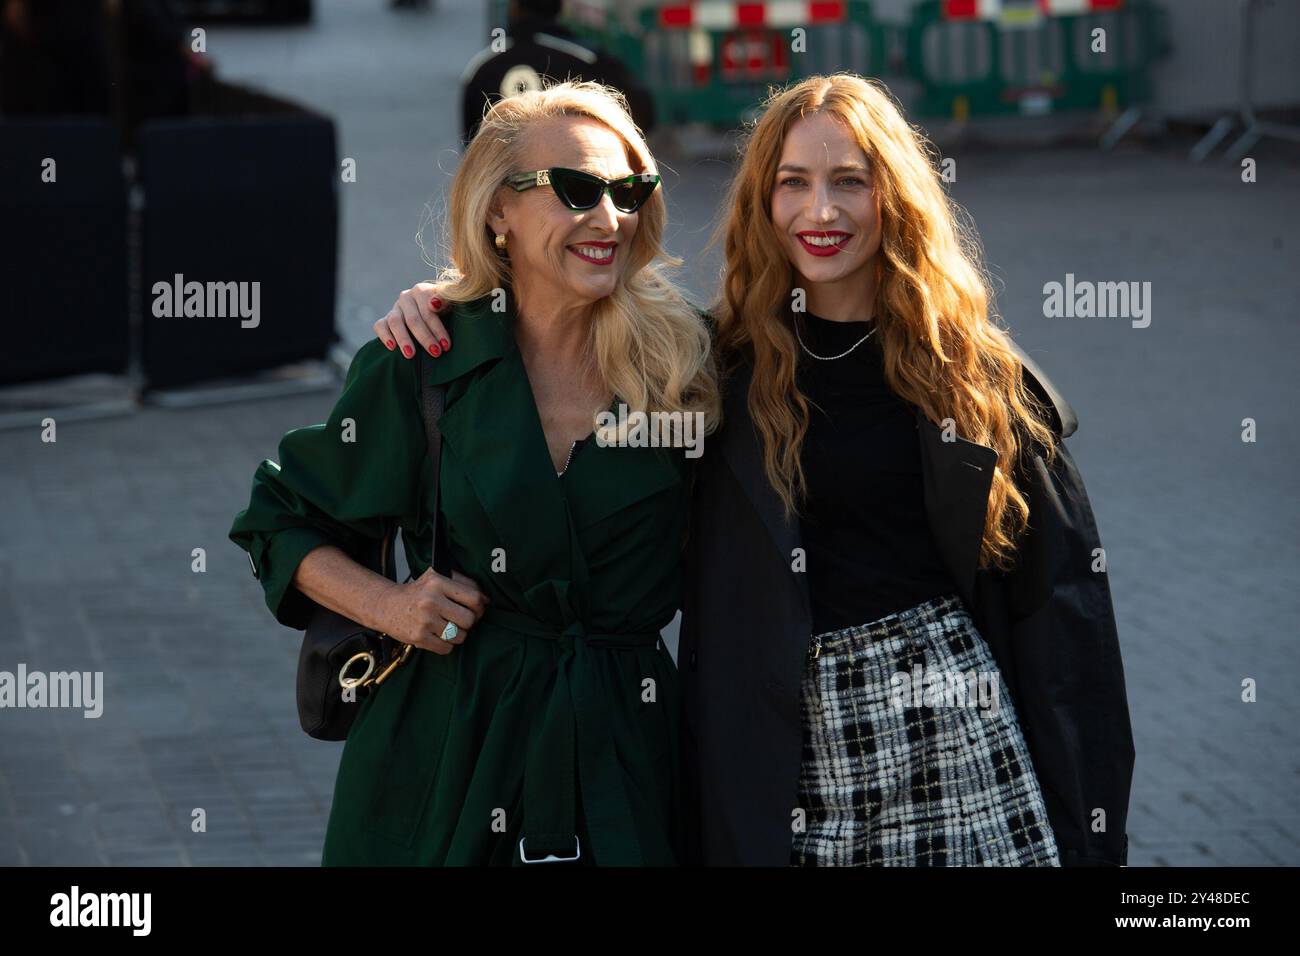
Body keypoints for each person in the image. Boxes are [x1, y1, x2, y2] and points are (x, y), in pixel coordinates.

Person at [370, 73, 1135, 867]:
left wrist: (1096, 832)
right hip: (781, 757)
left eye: (850, 183)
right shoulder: (714, 366)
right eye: (792, 184)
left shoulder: (977, 380)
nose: (822, 212)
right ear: (763, 205)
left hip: (948, 733)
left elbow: (1069, 630)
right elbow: (549, 321)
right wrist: (456, 301)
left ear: (896, 198)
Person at [229, 79, 718, 865]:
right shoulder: (426, 360)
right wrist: (388, 604)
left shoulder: (691, 366)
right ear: (499, 212)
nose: (609, 219)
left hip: (624, 753)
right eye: (576, 190)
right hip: (444, 756)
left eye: (630, 192)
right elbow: (279, 520)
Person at [460, 0, 655, 146]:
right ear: (562, 7)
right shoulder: (588, 60)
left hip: (503, 186)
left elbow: (470, 142)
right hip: (576, 187)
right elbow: (643, 115)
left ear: (514, 7)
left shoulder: (484, 66)